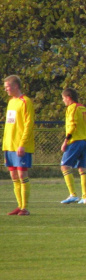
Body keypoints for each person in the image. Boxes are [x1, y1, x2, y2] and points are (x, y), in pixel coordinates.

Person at [3, 75, 35, 216]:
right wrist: (5, 145)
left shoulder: (25, 101)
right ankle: (19, 205)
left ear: (16, 86)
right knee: (14, 176)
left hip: (21, 146)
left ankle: (25, 208)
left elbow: (29, 124)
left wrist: (22, 144)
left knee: (22, 175)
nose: (5, 90)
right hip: (9, 145)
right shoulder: (11, 102)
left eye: (7, 87)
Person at [59, 88, 86, 204]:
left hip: (75, 140)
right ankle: (85, 197)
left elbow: (72, 125)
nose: (63, 101)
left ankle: (73, 194)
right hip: (85, 140)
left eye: (63, 98)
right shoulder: (83, 108)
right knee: (82, 169)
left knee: (65, 166)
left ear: (68, 98)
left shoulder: (71, 108)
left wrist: (66, 141)